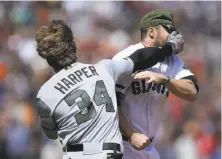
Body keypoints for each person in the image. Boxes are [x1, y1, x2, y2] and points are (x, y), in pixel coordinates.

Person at [35, 20, 184, 159]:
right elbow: (139, 58)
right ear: (73, 45)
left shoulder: (45, 95)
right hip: (109, 154)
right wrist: (169, 48)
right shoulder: (103, 69)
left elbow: (52, 134)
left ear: (47, 57)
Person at [113, 10, 199, 159]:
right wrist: (131, 134)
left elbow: (192, 92)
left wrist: (166, 80)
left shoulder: (172, 61)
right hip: (122, 144)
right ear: (151, 32)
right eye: (168, 29)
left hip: (149, 147)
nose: (174, 35)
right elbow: (111, 104)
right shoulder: (126, 58)